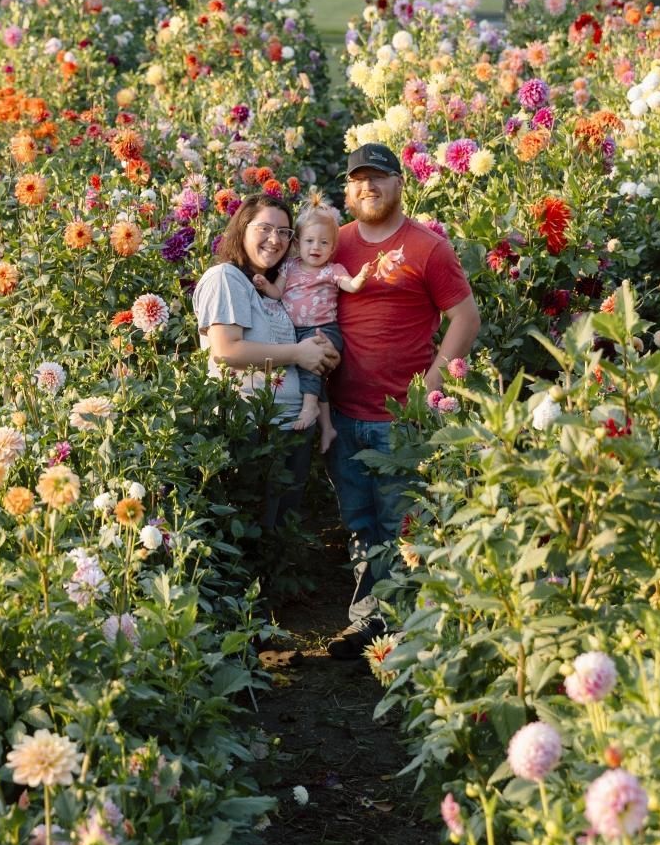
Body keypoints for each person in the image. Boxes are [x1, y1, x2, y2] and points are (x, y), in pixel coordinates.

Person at [326, 143, 481, 658]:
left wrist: (428, 388)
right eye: (358, 179)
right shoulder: (335, 245)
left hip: (400, 415)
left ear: (399, 184)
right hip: (344, 412)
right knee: (359, 523)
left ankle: (402, 630)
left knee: (400, 524)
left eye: (378, 177)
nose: (368, 186)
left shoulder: (427, 248)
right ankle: (370, 624)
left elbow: (465, 318)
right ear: (347, 191)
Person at [192, 193, 339, 530]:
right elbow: (227, 350)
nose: (275, 240)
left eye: (285, 232)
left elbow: (295, 344)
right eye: (265, 228)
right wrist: (299, 353)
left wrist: (323, 352)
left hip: (291, 428)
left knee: (281, 535)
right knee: (253, 532)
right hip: (252, 430)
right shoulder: (226, 278)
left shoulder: (270, 288)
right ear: (242, 228)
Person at [253, 196, 373, 454]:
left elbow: (350, 286)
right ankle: (327, 427)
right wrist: (265, 286)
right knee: (314, 376)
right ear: (297, 243)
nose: (315, 247)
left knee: (311, 369)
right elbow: (278, 293)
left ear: (332, 248)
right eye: (309, 241)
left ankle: (310, 408)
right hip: (294, 332)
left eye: (324, 242)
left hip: (324, 329)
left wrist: (361, 277)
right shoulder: (290, 267)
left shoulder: (333, 270)